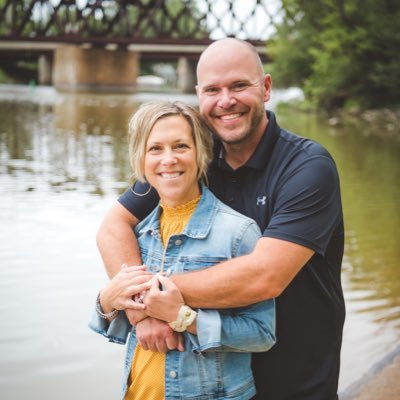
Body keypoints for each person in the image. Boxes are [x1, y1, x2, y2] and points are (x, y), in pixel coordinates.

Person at [97, 38, 345, 400]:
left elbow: (264, 277)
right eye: (213, 89)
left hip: (295, 381)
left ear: (266, 88)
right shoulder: (190, 158)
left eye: (239, 85)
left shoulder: (307, 168)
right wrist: (142, 311)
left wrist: (149, 298)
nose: (225, 100)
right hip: (215, 378)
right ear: (199, 96)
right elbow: (113, 225)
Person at [90, 101, 276, 400]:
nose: (169, 159)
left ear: (200, 153)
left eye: (180, 146)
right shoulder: (137, 233)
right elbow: (119, 324)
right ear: (140, 158)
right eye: (155, 149)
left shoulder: (238, 233)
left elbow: (261, 335)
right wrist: (107, 301)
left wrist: (184, 319)